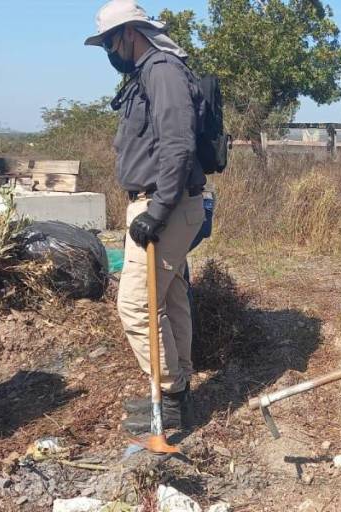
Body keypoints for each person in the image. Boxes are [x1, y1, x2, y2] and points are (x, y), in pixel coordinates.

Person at [84, 0, 207, 434]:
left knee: (136, 304)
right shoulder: (147, 73)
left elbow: (177, 144)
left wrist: (156, 211)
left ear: (130, 34)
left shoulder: (161, 70)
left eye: (109, 43)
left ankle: (170, 398)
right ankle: (179, 395)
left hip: (165, 205)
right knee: (170, 303)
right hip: (161, 202)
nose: (108, 52)